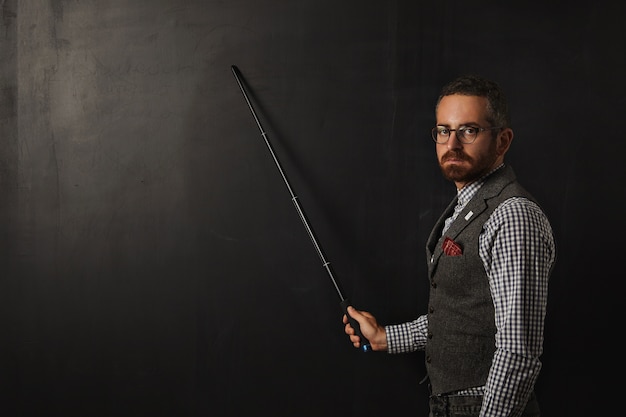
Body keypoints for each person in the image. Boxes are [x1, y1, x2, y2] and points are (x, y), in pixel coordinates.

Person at [343, 75, 556, 417]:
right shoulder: (467, 206)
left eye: (469, 130)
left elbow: (518, 351)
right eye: (444, 130)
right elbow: (463, 314)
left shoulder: (513, 216)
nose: (452, 143)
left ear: (502, 141)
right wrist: (385, 336)